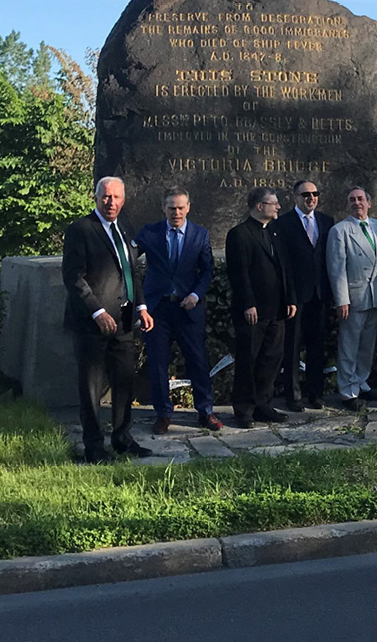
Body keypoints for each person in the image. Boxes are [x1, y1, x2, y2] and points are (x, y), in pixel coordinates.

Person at [62, 176, 155, 464]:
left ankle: (122, 437)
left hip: (125, 322)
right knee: (91, 387)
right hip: (92, 324)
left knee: (124, 382)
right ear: (96, 198)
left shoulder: (124, 228)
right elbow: (73, 277)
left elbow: (132, 271)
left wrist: (141, 306)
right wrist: (97, 311)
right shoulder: (81, 230)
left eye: (116, 197)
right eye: (105, 197)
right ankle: (94, 446)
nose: (110, 202)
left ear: (123, 200)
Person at [134, 187, 222, 433]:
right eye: (172, 208)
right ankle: (163, 413)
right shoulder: (149, 233)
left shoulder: (199, 235)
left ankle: (205, 411)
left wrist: (195, 294)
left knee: (198, 361)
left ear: (188, 207)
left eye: (181, 207)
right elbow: (128, 259)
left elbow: (207, 271)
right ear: (164, 209)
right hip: (157, 309)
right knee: (158, 363)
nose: (177, 212)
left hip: (188, 309)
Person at [225, 187, 296, 428]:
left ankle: (263, 405)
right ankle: (244, 410)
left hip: (277, 309)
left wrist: (291, 299)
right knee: (249, 359)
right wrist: (248, 304)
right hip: (253, 311)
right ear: (259, 206)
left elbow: (285, 268)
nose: (278, 207)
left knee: (271, 358)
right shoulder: (239, 234)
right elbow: (239, 273)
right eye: (273, 203)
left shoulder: (276, 232)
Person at [273, 180, 334, 411]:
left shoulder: (327, 221)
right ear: (295, 197)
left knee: (317, 346)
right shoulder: (284, 223)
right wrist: (288, 296)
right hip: (296, 297)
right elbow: (283, 264)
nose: (311, 198)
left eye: (315, 193)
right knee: (292, 347)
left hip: (320, 294)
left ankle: (315, 394)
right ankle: (293, 395)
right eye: (306, 194)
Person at [326, 187, 377, 411]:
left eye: (361, 199)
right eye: (352, 199)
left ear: (369, 203)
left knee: (367, 345)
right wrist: (342, 299)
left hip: (374, 295)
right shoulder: (340, 230)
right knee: (349, 345)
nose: (357, 202)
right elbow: (336, 268)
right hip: (352, 297)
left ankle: (362, 382)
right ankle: (347, 390)